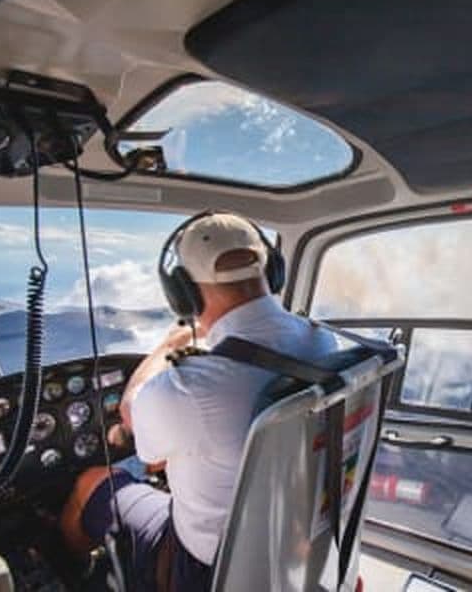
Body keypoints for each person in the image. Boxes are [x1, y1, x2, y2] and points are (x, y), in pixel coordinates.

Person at [59, 213, 337, 591]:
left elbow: (134, 421)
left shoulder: (192, 387)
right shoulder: (323, 343)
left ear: (182, 294)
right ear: (273, 270)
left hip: (207, 570)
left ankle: (68, 576)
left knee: (92, 482)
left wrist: (170, 344)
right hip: (295, 549)